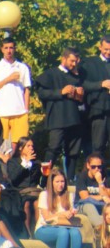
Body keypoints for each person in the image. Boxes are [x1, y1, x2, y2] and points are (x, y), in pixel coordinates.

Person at [35, 48, 87, 177]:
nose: (74, 64)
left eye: (76, 61)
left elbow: (82, 101)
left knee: (74, 151)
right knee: (53, 149)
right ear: (63, 59)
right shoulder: (50, 74)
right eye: (71, 61)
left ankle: (69, 179)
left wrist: (80, 95)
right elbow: (42, 93)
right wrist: (60, 92)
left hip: (75, 118)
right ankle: (44, 180)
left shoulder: (77, 76)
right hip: (57, 118)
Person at [0, 38, 32, 146]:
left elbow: (27, 89)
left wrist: (26, 109)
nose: (9, 51)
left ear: (15, 49)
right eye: (6, 48)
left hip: (20, 113)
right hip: (2, 112)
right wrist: (8, 79)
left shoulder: (22, 67)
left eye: (11, 48)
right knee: (2, 144)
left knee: (20, 144)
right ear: (2, 49)